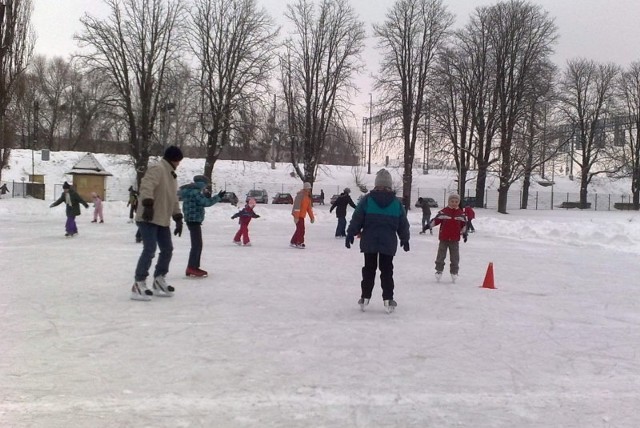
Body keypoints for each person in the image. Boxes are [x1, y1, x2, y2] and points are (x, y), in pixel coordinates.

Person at [345, 169, 410, 314]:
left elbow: (357, 218)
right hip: (388, 243)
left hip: (369, 241)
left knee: (369, 270)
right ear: (390, 186)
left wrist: (351, 233)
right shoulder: (396, 203)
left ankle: (365, 297)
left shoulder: (367, 200)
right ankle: (387, 298)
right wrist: (404, 238)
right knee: (386, 271)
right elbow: (403, 223)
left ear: (376, 185)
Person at [131, 145, 184, 301]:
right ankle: (138, 282)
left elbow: (173, 198)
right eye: (178, 160)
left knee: (167, 249)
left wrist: (178, 216)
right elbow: (146, 185)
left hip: (162, 219)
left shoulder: (171, 175)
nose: (179, 164)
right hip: (148, 217)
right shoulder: (158, 168)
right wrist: (147, 204)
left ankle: (159, 279)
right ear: (174, 159)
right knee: (150, 249)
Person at [178, 175, 225, 278]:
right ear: (201, 183)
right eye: (205, 184)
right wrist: (218, 197)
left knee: (197, 244)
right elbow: (206, 203)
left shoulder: (190, 191)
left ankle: (194, 267)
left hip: (192, 220)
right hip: (194, 220)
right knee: (197, 245)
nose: (205, 187)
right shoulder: (195, 192)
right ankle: (192, 267)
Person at [429, 193, 467, 283]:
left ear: (459, 202)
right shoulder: (444, 212)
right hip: (444, 238)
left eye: (456, 202)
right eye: (452, 201)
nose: (454, 203)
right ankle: (439, 270)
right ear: (449, 202)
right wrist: (428, 226)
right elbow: (436, 220)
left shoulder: (461, 213)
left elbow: (464, 224)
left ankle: (454, 271)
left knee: (455, 257)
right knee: (441, 255)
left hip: (454, 239)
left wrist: (465, 233)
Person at [290, 182, 315, 249]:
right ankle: (299, 242)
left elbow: (309, 209)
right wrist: (296, 217)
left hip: (302, 216)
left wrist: (312, 217)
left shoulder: (308, 197)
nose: (309, 190)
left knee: (299, 229)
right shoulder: (300, 195)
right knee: (301, 229)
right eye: (308, 188)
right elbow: (297, 206)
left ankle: (293, 241)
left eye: (309, 188)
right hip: (298, 215)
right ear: (305, 188)